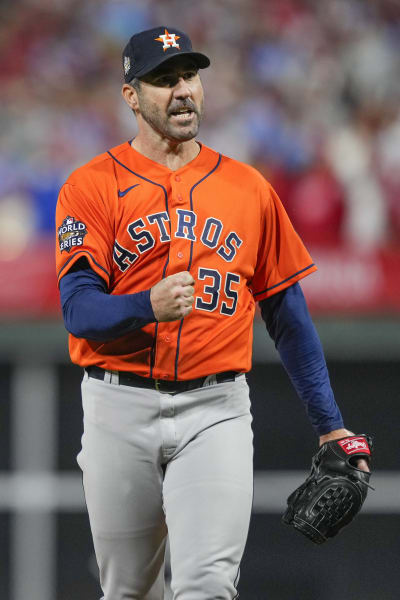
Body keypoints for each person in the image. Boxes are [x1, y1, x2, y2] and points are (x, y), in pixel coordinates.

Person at [56, 26, 369, 600]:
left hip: (215, 409)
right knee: (127, 590)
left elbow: (288, 316)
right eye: (162, 80)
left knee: (207, 586)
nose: (182, 91)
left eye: (189, 76)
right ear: (131, 96)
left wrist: (331, 424)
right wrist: (145, 306)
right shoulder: (90, 186)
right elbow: (78, 312)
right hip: (117, 405)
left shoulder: (248, 189)